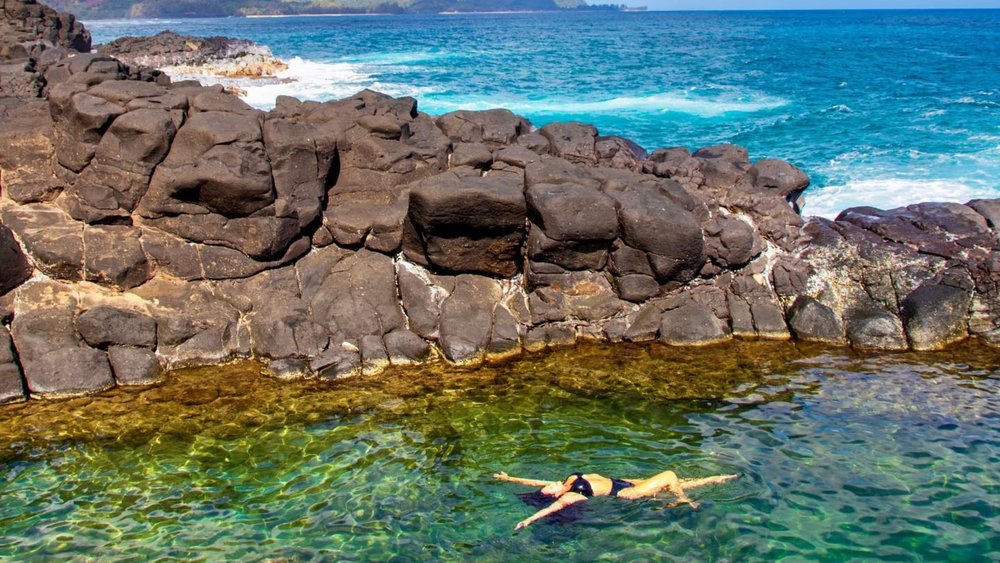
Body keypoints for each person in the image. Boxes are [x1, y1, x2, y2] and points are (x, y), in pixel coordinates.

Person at [493, 469, 739, 530]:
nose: (549, 484)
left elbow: (536, 484)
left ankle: (716, 479)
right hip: (624, 493)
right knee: (669, 476)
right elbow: (547, 510)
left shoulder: (567, 480)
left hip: (624, 481)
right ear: (555, 494)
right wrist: (527, 521)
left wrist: (509, 478)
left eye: (549, 484)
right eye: (550, 488)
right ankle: (684, 501)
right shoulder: (569, 495)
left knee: (673, 483)